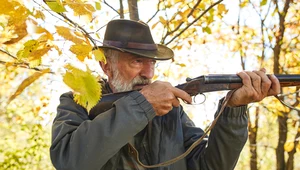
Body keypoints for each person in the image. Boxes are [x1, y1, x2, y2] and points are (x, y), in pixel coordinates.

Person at [50, 19, 280, 170]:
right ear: (105, 65)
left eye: (152, 63)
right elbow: (70, 161)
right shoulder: (78, 101)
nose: (148, 73)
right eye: (137, 61)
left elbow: (211, 166)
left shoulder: (169, 111)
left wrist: (233, 109)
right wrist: (143, 105)